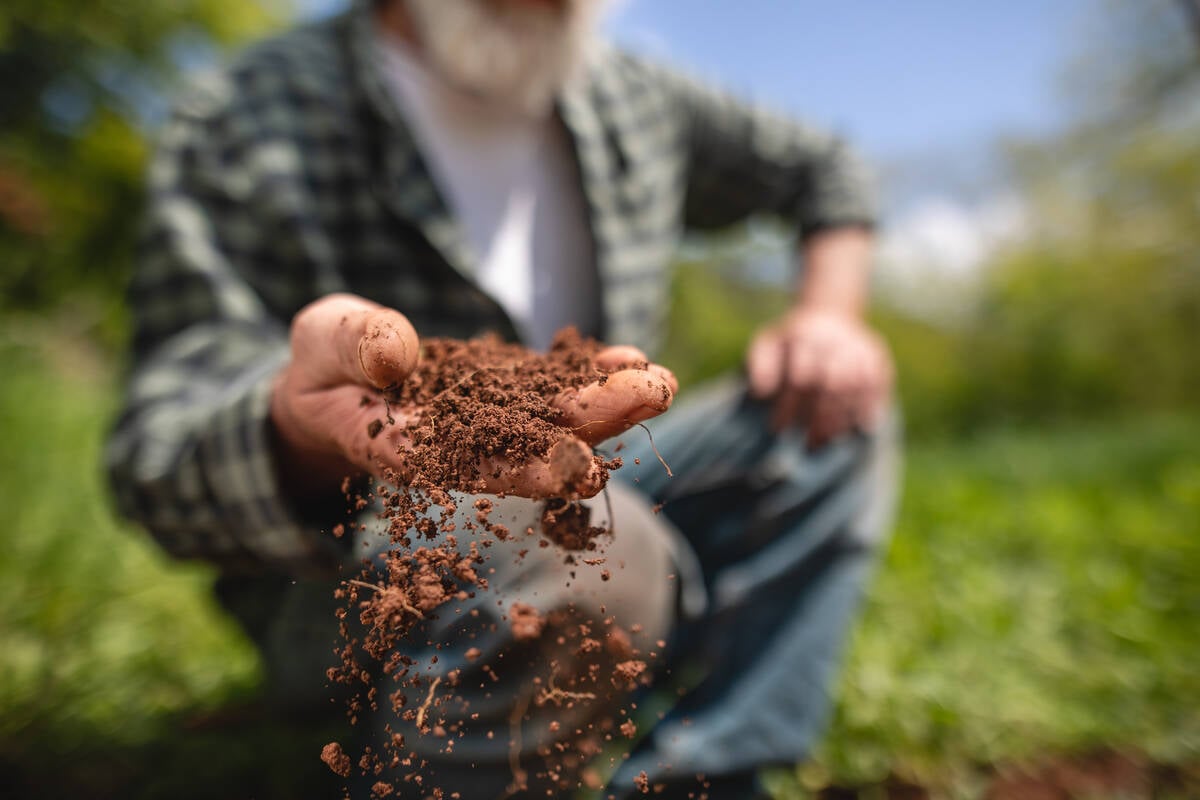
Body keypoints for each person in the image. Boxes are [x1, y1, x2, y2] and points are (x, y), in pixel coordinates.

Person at [106, 0, 899, 797]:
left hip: (604, 475)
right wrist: (302, 428)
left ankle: (705, 774)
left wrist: (828, 317)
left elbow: (826, 165)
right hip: (360, 551)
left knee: (828, 413)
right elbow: (156, 452)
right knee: (594, 552)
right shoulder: (252, 113)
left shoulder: (628, 92)